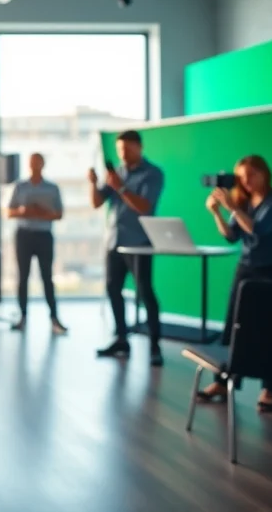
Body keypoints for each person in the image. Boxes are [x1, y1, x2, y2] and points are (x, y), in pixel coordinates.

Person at [198, 155, 272, 413]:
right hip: (246, 267)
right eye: (241, 176)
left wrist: (231, 208)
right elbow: (231, 235)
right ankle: (223, 383)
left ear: (264, 173)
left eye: (251, 175)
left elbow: (257, 230)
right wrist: (216, 212)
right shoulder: (242, 201)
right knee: (233, 326)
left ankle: (269, 391)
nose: (246, 181)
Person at [88, 130, 166, 366]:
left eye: (127, 149)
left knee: (145, 292)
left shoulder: (152, 174)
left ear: (139, 147)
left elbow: (144, 206)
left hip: (139, 242)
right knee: (113, 289)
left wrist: (121, 188)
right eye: (120, 150)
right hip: (114, 241)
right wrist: (93, 183)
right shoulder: (117, 173)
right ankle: (121, 339)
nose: (123, 154)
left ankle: (155, 345)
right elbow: (97, 202)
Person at [7, 153, 67, 334]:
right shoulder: (20, 187)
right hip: (24, 235)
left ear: (43, 164)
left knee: (47, 277)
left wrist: (42, 212)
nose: (35, 166)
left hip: (44, 236)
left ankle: (54, 318)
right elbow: (10, 211)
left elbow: (59, 214)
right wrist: (24, 211)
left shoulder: (52, 188)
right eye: (32, 163)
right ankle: (22, 316)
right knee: (22, 277)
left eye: (38, 163)